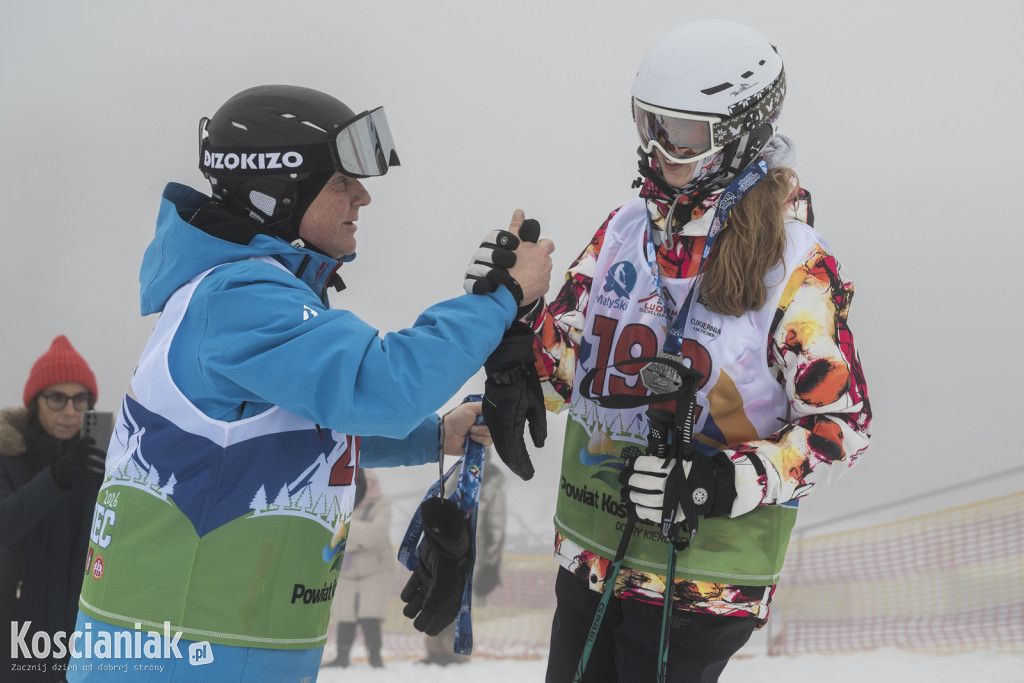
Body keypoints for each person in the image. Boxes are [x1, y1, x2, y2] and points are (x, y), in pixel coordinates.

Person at [67, 84, 553, 682]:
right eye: (340, 183)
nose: (363, 197)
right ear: (277, 195)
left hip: (225, 652)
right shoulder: (241, 297)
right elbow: (380, 387)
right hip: (182, 657)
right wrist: (501, 299)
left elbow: (290, 430)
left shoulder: (246, 294)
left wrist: (430, 437)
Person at [520, 21, 872, 682]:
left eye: (680, 132)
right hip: (597, 554)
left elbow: (841, 427)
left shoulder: (795, 267)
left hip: (700, 579)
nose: (656, 148)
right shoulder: (625, 231)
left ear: (738, 136)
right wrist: (512, 312)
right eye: (646, 122)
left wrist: (724, 480)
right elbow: (562, 374)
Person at [1, 336, 105, 680]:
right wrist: (57, 478)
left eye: (80, 399)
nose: (70, 412)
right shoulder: (7, 457)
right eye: (57, 398)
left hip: (79, 633)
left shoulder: (99, 462)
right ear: (35, 401)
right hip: (16, 632)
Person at [421, 448, 507, 666]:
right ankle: (435, 651)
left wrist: (490, 564)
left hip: (474, 557)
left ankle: (454, 653)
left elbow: (495, 528)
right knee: (440, 596)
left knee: (460, 605)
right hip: (447, 551)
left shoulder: (492, 486)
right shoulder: (455, 477)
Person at [324, 469, 393, 669]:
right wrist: (356, 538)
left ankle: (375, 656)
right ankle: (342, 656)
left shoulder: (381, 504)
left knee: (369, 613)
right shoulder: (345, 503)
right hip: (347, 568)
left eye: (370, 482)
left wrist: (347, 531)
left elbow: (375, 533)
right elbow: (331, 534)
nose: (367, 486)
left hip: (376, 569)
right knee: (344, 613)